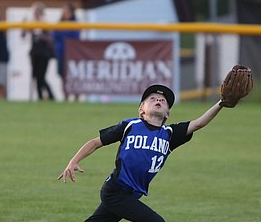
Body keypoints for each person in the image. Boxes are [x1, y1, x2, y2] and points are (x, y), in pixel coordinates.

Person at [58, 84, 225, 221]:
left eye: (163, 100)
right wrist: (73, 161)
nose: (158, 99)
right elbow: (95, 142)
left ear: (167, 113)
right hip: (115, 190)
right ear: (141, 110)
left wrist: (221, 103)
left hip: (131, 195)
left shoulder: (170, 134)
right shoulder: (130, 126)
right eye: (152, 98)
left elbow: (198, 123)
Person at [22, 2, 54, 101]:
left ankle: (51, 96)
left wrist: (41, 36)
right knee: (35, 76)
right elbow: (23, 36)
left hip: (43, 53)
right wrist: (24, 27)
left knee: (41, 76)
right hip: (34, 52)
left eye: (37, 11)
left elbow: (51, 38)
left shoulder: (45, 23)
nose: (35, 13)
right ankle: (40, 97)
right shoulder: (30, 23)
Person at [52, 3, 80, 100]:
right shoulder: (59, 23)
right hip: (61, 52)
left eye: (67, 11)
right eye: (64, 11)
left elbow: (75, 37)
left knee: (74, 76)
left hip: (72, 54)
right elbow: (54, 36)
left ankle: (76, 97)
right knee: (62, 76)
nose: (65, 13)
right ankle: (65, 97)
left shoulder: (75, 23)